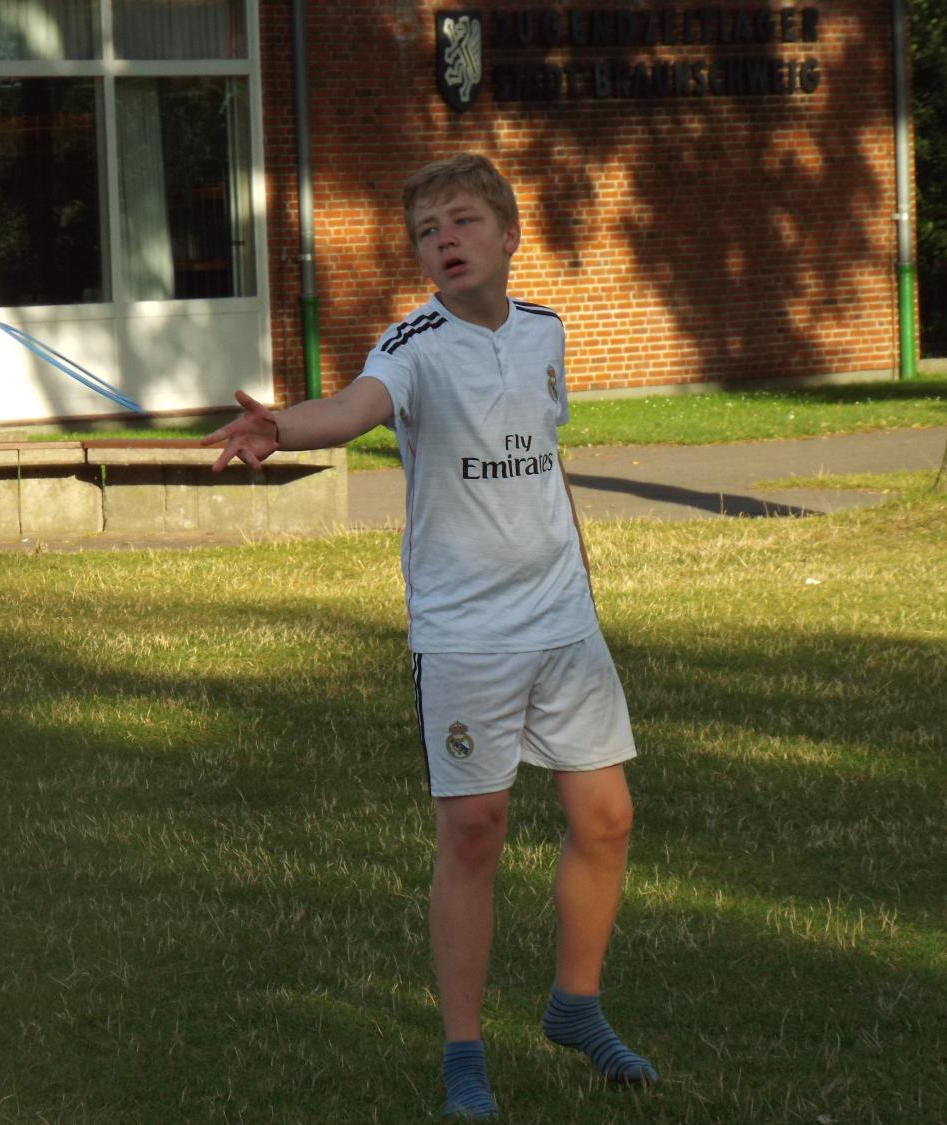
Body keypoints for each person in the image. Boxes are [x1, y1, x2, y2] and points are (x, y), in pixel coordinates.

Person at [203, 153, 657, 1118]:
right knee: (475, 831)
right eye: (426, 231)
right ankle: (464, 1056)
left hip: (563, 621)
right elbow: (355, 407)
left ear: (509, 234)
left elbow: (545, 460)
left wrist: (580, 581)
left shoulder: (546, 331)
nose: (445, 240)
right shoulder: (411, 344)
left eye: (462, 221)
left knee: (607, 817)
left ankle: (575, 1007)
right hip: (466, 635)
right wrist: (282, 427)